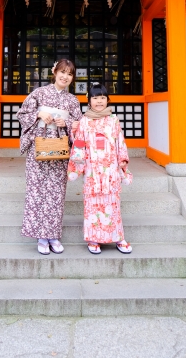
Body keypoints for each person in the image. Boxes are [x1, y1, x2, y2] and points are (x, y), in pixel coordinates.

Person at [18, 58, 82, 256]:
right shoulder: (39, 93)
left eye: (70, 74)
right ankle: (40, 236)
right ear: (54, 72)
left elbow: (79, 124)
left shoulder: (72, 100)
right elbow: (22, 113)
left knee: (56, 193)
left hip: (60, 148)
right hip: (39, 146)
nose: (65, 76)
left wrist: (68, 122)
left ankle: (53, 235)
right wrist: (39, 113)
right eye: (62, 72)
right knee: (36, 191)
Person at [70, 83, 133, 255]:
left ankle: (118, 237)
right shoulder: (84, 121)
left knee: (113, 203)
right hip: (91, 170)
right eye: (95, 98)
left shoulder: (113, 120)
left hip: (110, 169)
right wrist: (77, 165)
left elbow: (120, 142)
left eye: (103, 98)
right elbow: (79, 143)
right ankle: (93, 238)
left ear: (108, 100)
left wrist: (122, 162)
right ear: (89, 101)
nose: (99, 101)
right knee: (92, 204)